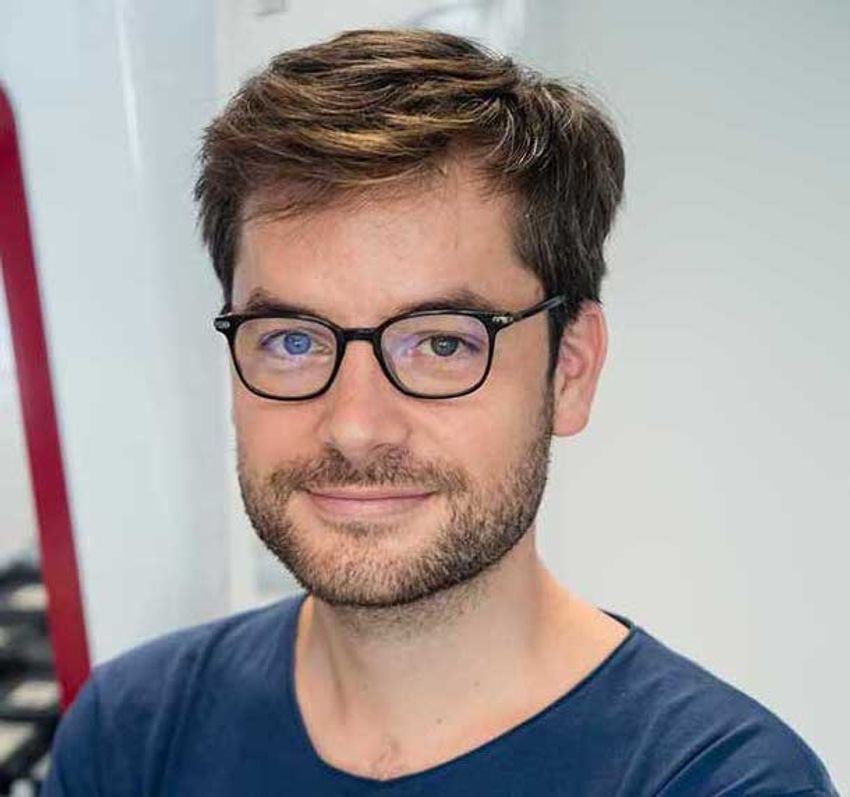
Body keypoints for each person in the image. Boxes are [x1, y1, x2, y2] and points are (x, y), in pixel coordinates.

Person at [44, 29, 837, 796]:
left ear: (570, 369)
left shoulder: (717, 781)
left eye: (442, 343)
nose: (355, 426)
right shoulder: (131, 737)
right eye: (292, 339)